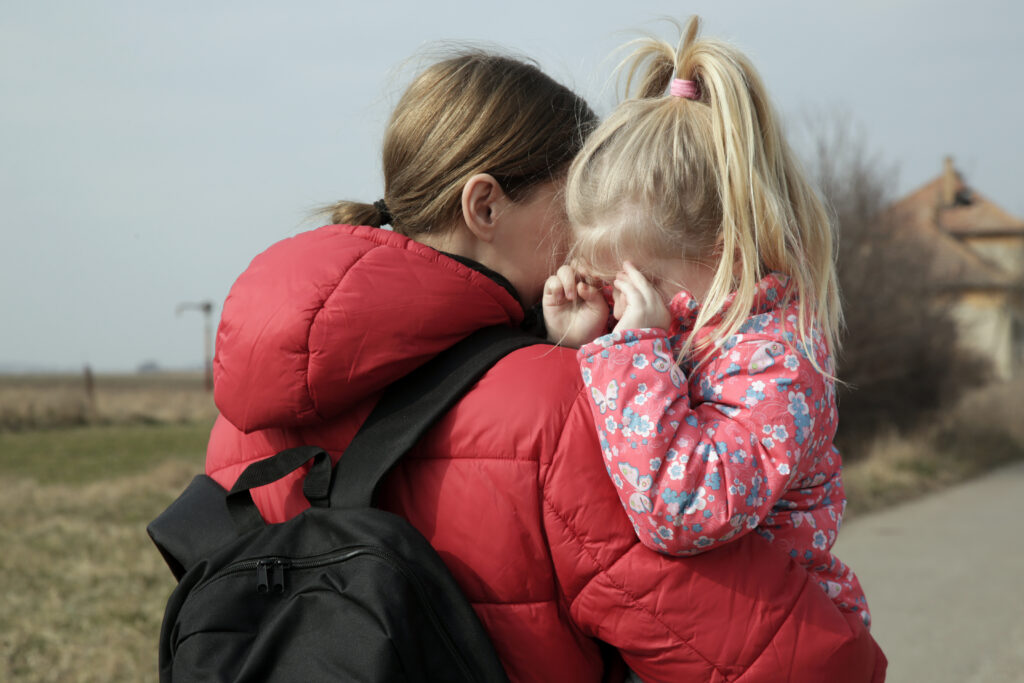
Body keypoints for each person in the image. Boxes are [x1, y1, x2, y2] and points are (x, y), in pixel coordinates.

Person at [206, 49, 885, 681]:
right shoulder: (553, 405)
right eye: (568, 211)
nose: (582, 257)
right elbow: (746, 648)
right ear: (485, 205)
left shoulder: (246, 420)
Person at [542, 17, 870, 628]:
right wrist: (582, 344)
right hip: (714, 634)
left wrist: (631, 352)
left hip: (777, 639)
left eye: (640, 284)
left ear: (725, 251)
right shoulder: (679, 338)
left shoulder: (776, 360)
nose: (625, 305)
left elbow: (685, 508)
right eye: (611, 287)